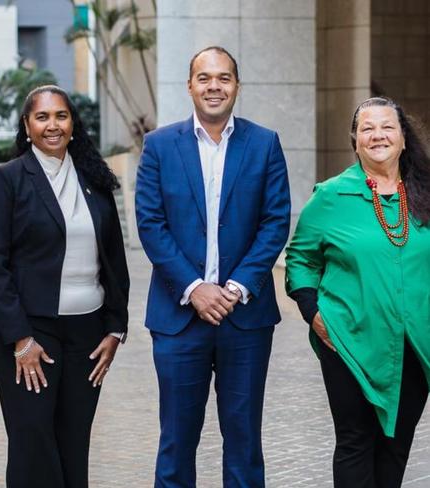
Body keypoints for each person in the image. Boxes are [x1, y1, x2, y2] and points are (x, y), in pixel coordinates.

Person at [135, 46, 291, 487]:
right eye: (204, 78)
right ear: (190, 86)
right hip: (178, 318)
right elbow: (151, 223)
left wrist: (238, 286)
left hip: (245, 319)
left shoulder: (265, 143)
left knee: (243, 442)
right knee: (176, 443)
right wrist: (195, 287)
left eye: (224, 78)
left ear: (237, 86)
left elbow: (275, 220)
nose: (214, 86)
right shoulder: (160, 146)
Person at [0, 85, 129, 488]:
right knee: (33, 442)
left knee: (74, 440)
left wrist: (115, 328)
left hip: (88, 335)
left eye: (61, 116)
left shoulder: (94, 180)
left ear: (73, 124)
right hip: (29, 334)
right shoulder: (7, 180)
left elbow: (114, 259)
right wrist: (21, 340)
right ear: (26, 126)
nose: (52, 125)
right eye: (42, 117)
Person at [285, 96, 430, 487]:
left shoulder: (425, 192)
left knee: (397, 444)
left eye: (387, 127)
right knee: (355, 441)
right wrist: (312, 311)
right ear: (355, 140)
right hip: (348, 341)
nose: (377, 135)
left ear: (403, 138)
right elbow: (300, 259)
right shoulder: (331, 196)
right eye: (367, 128)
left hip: (414, 345)